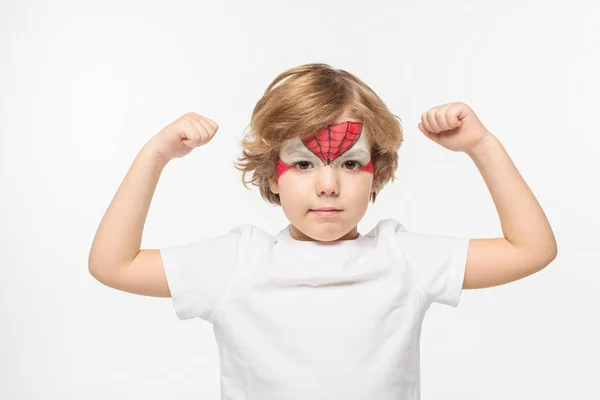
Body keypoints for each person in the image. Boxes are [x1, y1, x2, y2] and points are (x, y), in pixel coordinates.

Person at [88, 63, 558, 399]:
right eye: (303, 163)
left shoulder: (403, 259)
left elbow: (531, 248)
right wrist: (155, 155)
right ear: (274, 174)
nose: (329, 185)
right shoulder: (238, 262)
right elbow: (114, 264)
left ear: (377, 173)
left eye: (351, 163)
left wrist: (481, 145)